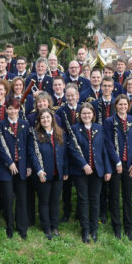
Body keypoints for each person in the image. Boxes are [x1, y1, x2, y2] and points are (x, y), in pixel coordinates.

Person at [69, 103, 111, 243]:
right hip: (81, 172)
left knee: (95, 200)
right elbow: (73, 150)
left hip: (97, 170)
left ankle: (94, 229)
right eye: (84, 114)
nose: (86, 116)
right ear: (80, 116)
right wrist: (84, 164)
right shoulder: (75, 129)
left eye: (89, 113)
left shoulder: (99, 128)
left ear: (93, 114)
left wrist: (107, 169)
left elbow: (104, 150)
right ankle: (85, 230)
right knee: (83, 200)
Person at [103, 95, 132, 240]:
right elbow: (108, 144)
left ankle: (128, 227)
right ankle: (116, 227)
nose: (123, 107)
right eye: (120, 104)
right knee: (114, 197)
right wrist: (117, 162)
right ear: (115, 106)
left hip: (129, 164)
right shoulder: (109, 121)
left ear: (128, 106)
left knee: (127, 197)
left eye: (125, 104)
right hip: (115, 164)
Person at [0, 98, 31, 239]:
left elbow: (28, 147)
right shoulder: (0, 125)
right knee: (8, 198)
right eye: (10, 108)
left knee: (22, 198)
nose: (12, 111)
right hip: (6, 167)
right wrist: (9, 162)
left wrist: (28, 166)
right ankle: (9, 226)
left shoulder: (25, 124)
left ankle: (22, 228)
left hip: (21, 167)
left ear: (19, 110)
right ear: (6, 110)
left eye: (15, 108)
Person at [29, 108, 67, 240]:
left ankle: (54, 226)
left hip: (58, 173)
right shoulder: (35, 134)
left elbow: (64, 153)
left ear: (52, 119)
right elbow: (32, 154)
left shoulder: (60, 133)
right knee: (44, 201)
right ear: (39, 120)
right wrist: (39, 171)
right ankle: (46, 227)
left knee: (55, 201)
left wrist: (65, 170)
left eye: (48, 117)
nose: (46, 120)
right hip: (43, 173)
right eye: (43, 118)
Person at [56, 83, 81, 223]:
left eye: (73, 95)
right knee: (66, 185)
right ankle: (66, 212)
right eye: (68, 96)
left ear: (77, 95)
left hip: (79, 152)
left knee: (79, 185)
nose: (70, 98)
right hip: (66, 152)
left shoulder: (83, 109)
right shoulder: (60, 112)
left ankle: (78, 212)